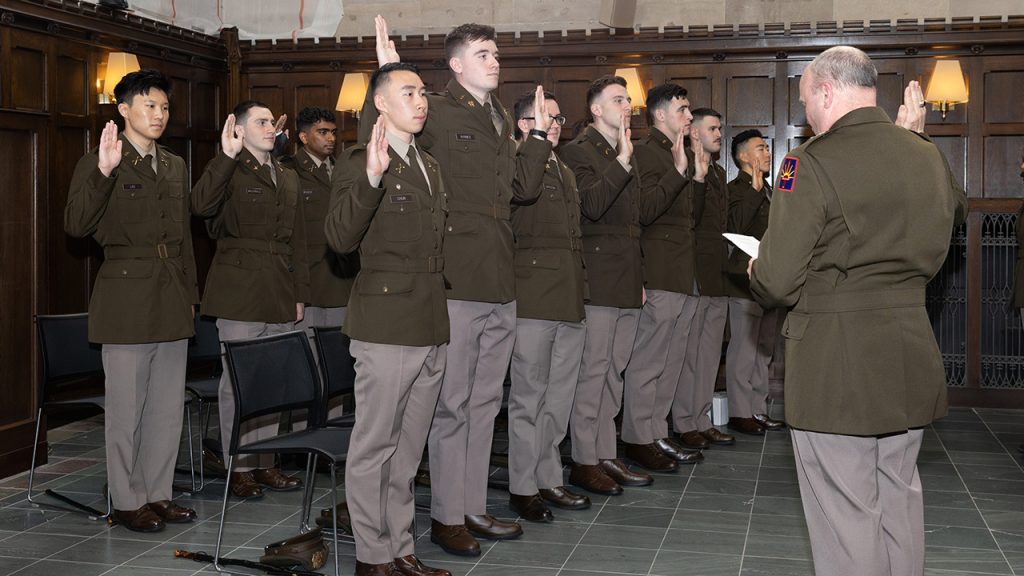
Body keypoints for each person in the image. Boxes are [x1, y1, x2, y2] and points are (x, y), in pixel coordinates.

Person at [748, 46, 967, 576]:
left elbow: (777, 280)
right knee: (899, 498)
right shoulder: (925, 154)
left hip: (835, 364)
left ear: (826, 91)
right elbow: (954, 212)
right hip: (908, 352)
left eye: (806, 102)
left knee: (846, 517)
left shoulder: (807, 162)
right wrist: (916, 138)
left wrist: (757, 269)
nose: (806, 115)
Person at [366, 16, 551, 556]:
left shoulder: (499, 116)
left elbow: (521, 189)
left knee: (485, 402)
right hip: (458, 277)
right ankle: (447, 516)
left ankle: (472, 506)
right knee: (453, 404)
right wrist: (388, 75)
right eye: (483, 54)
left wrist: (538, 137)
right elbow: (385, 140)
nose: (495, 62)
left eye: (496, 54)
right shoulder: (437, 110)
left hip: (499, 276)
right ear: (456, 64)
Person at [325, 62, 451, 576]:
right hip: (385, 321)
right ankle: (371, 555)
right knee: (375, 445)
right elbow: (339, 237)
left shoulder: (429, 164)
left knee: (408, 450)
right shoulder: (361, 161)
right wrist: (373, 179)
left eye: (423, 93)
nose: (420, 102)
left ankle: (400, 548)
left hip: (429, 318)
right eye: (408, 93)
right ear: (379, 103)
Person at [64, 69, 198, 532]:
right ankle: (125, 499)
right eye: (149, 106)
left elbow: (184, 240)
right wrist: (103, 172)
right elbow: (76, 224)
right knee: (127, 410)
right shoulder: (102, 159)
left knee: (166, 408)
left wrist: (190, 297)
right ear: (123, 110)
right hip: (125, 298)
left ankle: (157, 493)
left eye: (164, 107)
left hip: (172, 295)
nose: (159, 115)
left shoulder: (174, 164)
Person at [192, 100, 310, 499]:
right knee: (240, 383)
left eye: (271, 121)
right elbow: (200, 206)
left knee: (274, 382)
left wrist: (299, 293)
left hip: (279, 287)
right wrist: (225, 157)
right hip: (239, 289)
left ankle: (265, 462)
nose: (270, 127)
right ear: (239, 130)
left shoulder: (286, 174)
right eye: (260, 122)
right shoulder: (229, 167)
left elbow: (298, 241)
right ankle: (238, 465)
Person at [561, 75, 655, 496]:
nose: (627, 106)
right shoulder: (577, 151)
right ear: (595, 109)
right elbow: (592, 206)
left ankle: (605, 452)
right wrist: (622, 161)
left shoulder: (625, 149)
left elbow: (634, 224)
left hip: (626, 276)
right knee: (593, 371)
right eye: (618, 100)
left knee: (614, 372)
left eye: (628, 100)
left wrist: (640, 277)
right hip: (598, 276)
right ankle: (585, 460)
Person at [506, 89, 591, 523]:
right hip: (534, 295)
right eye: (547, 118)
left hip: (568, 294)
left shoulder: (563, 167)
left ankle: (548, 476)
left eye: (558, 119)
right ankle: (523, 486)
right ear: (525, 124)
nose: (556, 125)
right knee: (529, 398)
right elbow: (520, 200)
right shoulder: (518, 161)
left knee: (558, 397)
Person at [621, 83, 707, 469]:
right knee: (649, 361)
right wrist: (678, 172)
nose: (689, 116)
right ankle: (638, 437)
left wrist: (697, 178)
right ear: (659, 114)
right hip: (658, 271)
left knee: (672, 361)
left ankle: (657, 432)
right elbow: (645, 211)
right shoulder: (645, 152)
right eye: (682, 110)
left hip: (682, 272)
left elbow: (690, 219)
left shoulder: (678, 152)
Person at [673, 108, 736, 450]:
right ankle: (685, 421)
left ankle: (701, 418)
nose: (718, 134)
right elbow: (688, 219)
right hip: (694, 271)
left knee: (709, 355)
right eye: (712, 128)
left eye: (719, 128)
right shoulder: (683, 166)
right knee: (690, 355)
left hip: (717, 272)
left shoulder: (719, 172)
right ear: (694, 133)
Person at [723, 129, 786, 435]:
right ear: (743, 156)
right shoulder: (734, 190)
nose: (767, 153)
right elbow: (734, 226)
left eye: (767, 148)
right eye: (760, 148)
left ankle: (758, 409)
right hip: (742, 280)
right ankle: (740, 411)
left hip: (770, 278)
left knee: (764, 348)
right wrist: (754, 189)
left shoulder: (771, 190)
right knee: (744, 349)